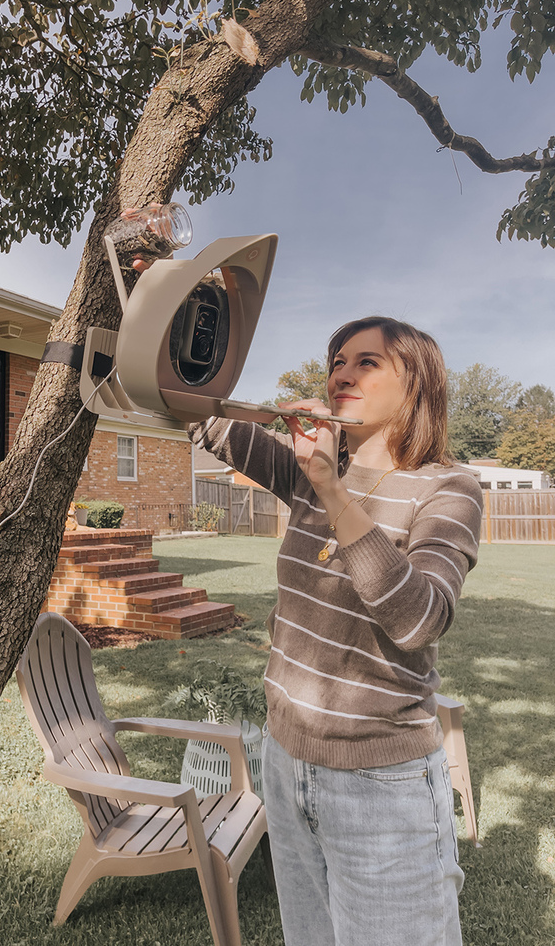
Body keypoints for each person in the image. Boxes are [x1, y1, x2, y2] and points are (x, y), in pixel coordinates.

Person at [188, 316, 482, 946]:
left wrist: (329, 485)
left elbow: (421, 618)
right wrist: (181, 306)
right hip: (286, 763)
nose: (342, 373)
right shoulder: (306, 471)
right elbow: (196, 412)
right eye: (337, 361)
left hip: (382, 788)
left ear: (418, 384)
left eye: (367, 362)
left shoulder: (448, 488)